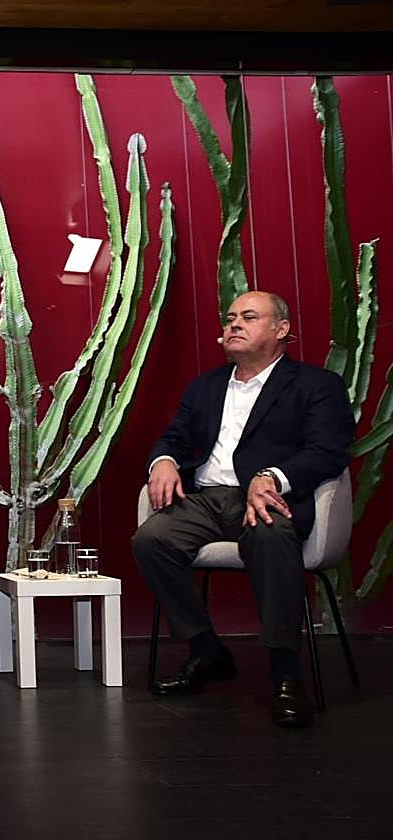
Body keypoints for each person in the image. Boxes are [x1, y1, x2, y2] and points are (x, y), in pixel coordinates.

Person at [133, 290, 353, 728]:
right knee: (152, 540)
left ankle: (286, 673)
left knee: (269, 533)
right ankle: (206, 650)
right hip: (207, 499)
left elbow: (328, 450)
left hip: (270, 498)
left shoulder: (316, 385)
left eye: (249, 317)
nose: (234, 324)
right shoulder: (206, 386)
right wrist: (164, 461)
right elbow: (174, 437)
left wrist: (272, 477)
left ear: (281, 329)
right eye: (230, 317)